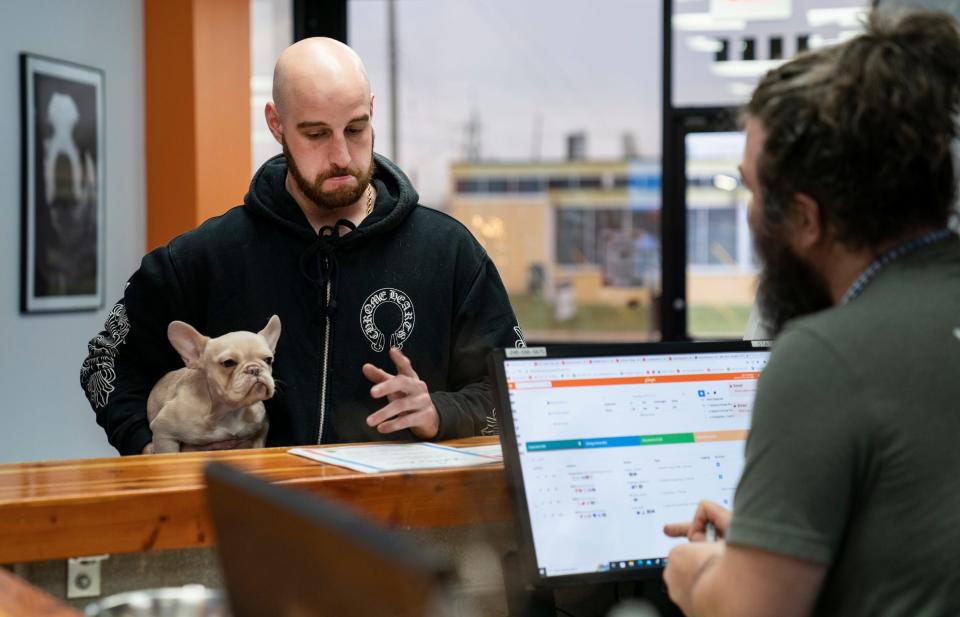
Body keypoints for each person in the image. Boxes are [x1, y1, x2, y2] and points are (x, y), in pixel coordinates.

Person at [80, 38, 523, 455]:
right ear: (276, 124)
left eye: (355, 129)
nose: (342, 157)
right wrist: (150, 447)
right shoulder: (204, 257)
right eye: (315, 134)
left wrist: (439, 413)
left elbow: (516, 390)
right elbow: (104, 365)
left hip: (403, 527)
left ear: (372, 112)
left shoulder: (449, 253)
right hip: (245, 523)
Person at [661, 10, 960, 617]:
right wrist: (769, 539)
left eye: (751, 190)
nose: (747, 214)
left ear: (803, 218)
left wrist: (701, 574)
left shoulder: (826, 356)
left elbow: (750, 612)